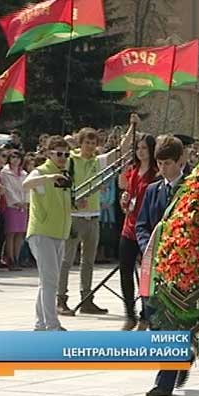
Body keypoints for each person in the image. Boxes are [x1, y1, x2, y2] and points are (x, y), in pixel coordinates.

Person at [57, 116, 136, 316]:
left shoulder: (97, 161)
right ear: (80, 143)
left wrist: (132, 127)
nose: (91, 146)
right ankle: (61, 299)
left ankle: (86, 299)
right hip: (75, 215)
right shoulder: (70, 161)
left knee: (88, 261)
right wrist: (74, 200)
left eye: (93, 143)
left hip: (93, 216)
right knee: (66, 260)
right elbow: (61, 186)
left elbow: (120, 151)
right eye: (87, 142)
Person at [136, 135, 190, 396]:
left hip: (182, 266)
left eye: (168, 163)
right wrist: (149, 245)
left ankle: (164, 380)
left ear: (180, 161)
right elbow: (141, 224)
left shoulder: (192, 191)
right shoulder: (152, 190)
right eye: (160, 164)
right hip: (154, 265)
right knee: (155, 319)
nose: (164, 169)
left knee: (173, 320)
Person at [23, 136, 73, 331]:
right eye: (59, 154)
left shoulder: (65, 174)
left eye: (66, 154)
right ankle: (52, 324)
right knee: (50, 279)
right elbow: (26, 185)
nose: (62, 158)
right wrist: (48, 178)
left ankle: (40, 323)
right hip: (41, 232)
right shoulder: (41, 171)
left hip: (59, 233)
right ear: (49, 154)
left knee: (48, 280)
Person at [119, 134, 158, 331]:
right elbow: (128, 197)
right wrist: (124, 200)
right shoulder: (133, 171)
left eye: (144, 148)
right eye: (138, 148)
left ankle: (145, 315)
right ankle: (129, 313)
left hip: (147, 229)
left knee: (146, 274)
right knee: (125, 271)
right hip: (129, 226)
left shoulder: (155, 173)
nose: (141, 152)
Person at [0, 150, 29, 270]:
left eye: (17, 157)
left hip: (23, 206)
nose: (15, 160)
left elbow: (27, 188)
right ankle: (10, 259)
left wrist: (26, 202)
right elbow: (7, 189)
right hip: (12, 206)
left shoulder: (24, 173)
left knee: (20, 233)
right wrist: (16, 201)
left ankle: (17, 258)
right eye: (12, 157)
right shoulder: (5, 172)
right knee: (11, 234)